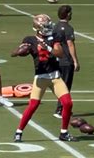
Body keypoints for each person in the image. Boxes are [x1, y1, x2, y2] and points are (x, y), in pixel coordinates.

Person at [11, 14, 77, 142]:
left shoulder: (54, 37)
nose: (49, 27)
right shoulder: (30, 39)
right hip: (41, 77)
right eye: (46, 26)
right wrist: (20, 51)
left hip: (55, 77)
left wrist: (47, 46)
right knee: (33, 105)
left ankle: (64, 132)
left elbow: (60, 53)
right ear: (37, 28)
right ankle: (19, 131)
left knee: (68, 103)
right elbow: (14, 53)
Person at [52, 6, 80, 118]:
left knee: (60, 85)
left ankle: (63, 108)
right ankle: (60, 109)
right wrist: (75, 61)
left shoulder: (55, 27)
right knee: (66, 86)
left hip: (56, 60)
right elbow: (70, 44)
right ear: (68, 14)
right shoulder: (68, 28)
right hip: (66, 61)